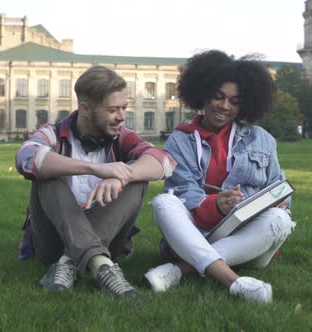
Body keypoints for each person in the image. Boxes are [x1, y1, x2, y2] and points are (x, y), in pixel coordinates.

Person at [144, 50, 296, 303]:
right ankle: (235, 282)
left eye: (234, 101)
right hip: (196, 231)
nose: (225, 106)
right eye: (218, 97)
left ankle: (180, 270)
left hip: (245, 237)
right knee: (164, 203)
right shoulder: (179, 141)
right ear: (203, 93)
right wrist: (215, 204)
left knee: (280, 219)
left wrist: (281, 201)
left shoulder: (262, 139)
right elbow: (183, 192)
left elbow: (278, 186)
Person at [15, 66, 176, 298]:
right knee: (47, 174)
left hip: (108, 238)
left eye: (124, 108)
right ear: (85, 109)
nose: (121, 116)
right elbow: (26, 158)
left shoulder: (122, 136)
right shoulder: (53, 133)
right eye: (113, 110)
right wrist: (96, 168)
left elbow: (164, 162)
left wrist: (121, 175)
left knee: (135, 175)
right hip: (52, 241)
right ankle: (102, 265)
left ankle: (69, 262)